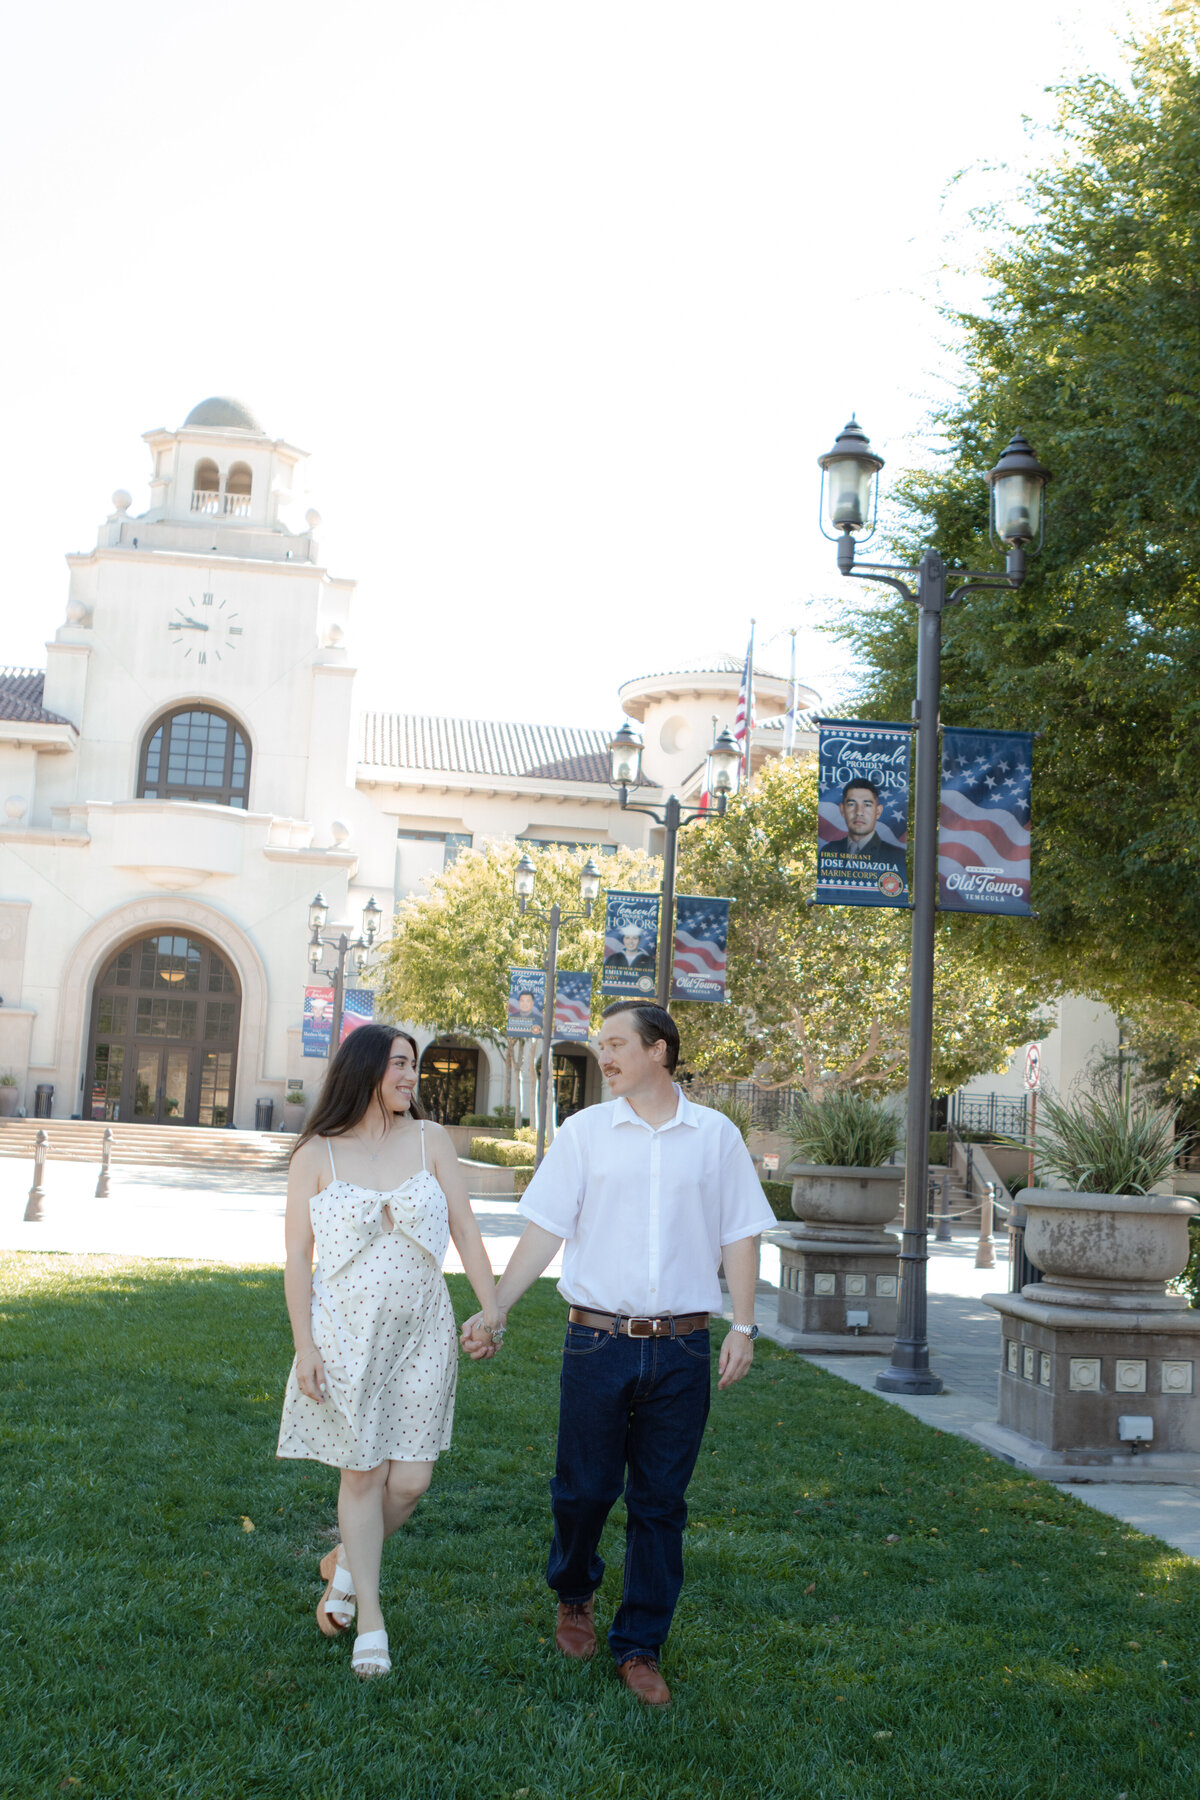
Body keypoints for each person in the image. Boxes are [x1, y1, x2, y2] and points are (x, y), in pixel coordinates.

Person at [460, 1000, 775, 1707]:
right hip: (595, 1341)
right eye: (599, 1045)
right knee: (584, 1490)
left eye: (614, 1044)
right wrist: (497, 1307)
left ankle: (640, 1645)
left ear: (659, 1051)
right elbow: (544, 1231)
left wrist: (744, 1326)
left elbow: (741, 1234)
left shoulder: (715, 1137)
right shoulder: (584, 1134)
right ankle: (575, 1592)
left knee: (661, 1503)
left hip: (684, 1348)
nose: (602, 1056)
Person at [277, 1023, 503, 1680]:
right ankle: (368, 1617)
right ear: (366, 1069)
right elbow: (296, 1257)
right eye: (401, 1064)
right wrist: (305, 1343)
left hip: (425, 1330)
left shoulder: (432, 1141)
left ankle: (346, 1563)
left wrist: (490, 1307)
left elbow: (464, 1226)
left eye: (415, 1066)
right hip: (347, 1332)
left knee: (411, 1480)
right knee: (363, 1475)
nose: (412, 1076)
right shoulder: (317, 1154)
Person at [821, 777, 906, 875]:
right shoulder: (829, 850)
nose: (859, 812)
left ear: (878, 811)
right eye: (852, 804)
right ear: (842, 810)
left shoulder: (896, 856)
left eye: (867, 805)